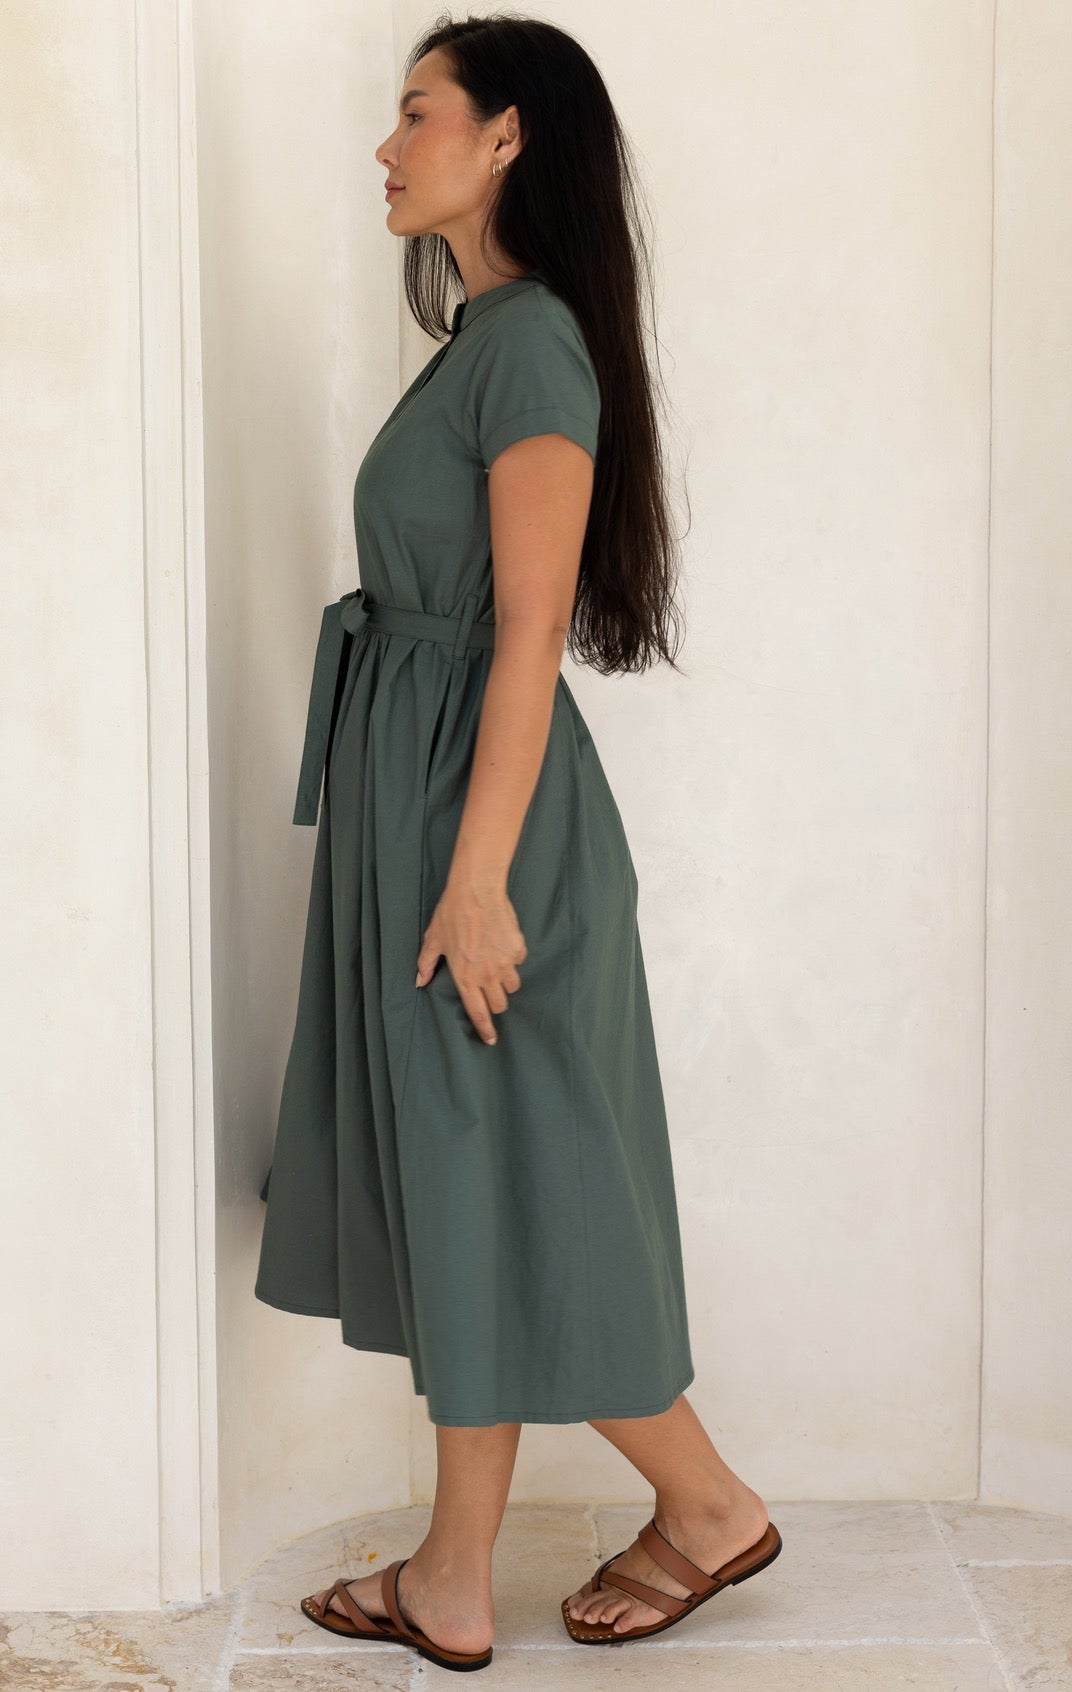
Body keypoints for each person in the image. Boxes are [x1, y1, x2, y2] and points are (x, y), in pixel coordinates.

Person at [254, 11, 780, 1673]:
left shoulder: (533, 345)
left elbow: (532, 629)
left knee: (531, 1174)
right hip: (428, 797)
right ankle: (455, 1575)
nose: (387, 145)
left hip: (482, 822)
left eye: (417, 113)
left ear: (506, 139)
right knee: (472, 1175)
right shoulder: (484, 340)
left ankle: (708, 1506)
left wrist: (476, 877)